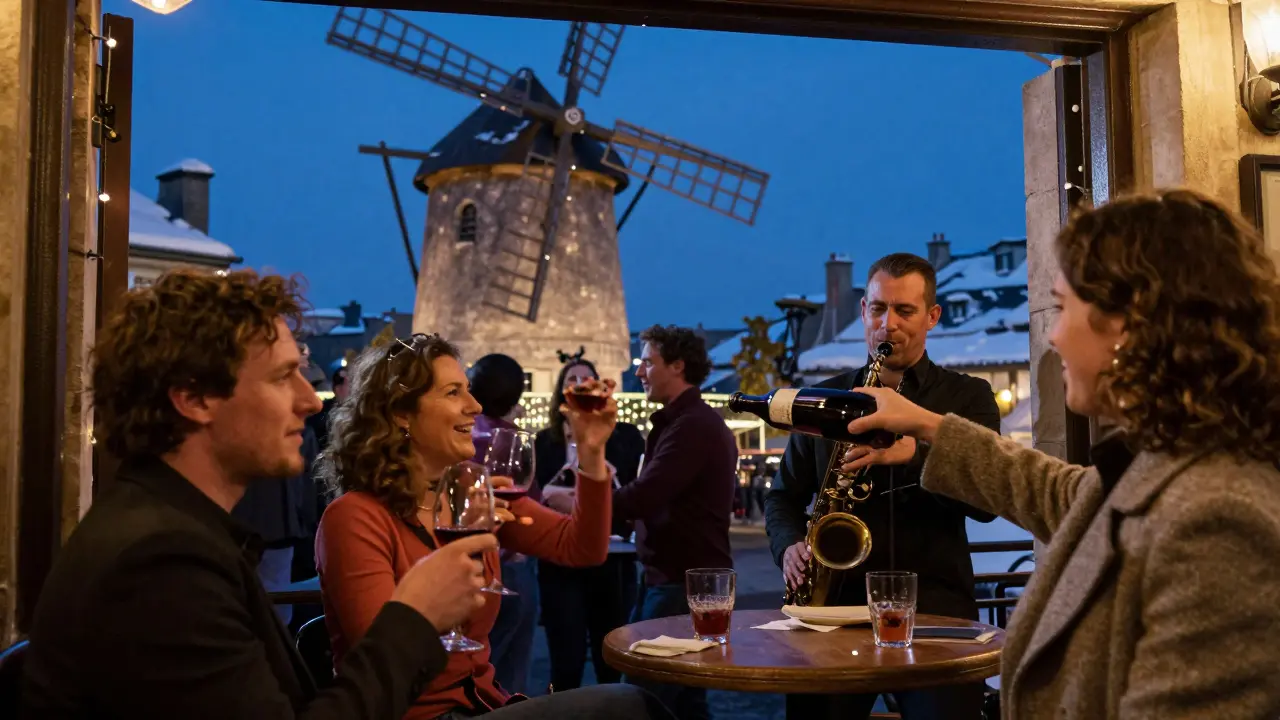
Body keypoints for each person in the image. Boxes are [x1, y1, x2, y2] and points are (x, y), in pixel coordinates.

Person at [843, 190, 1280, 718]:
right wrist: (925, 422)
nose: (1053, 336)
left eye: (1063, 306)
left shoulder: (1218, 520)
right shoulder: (1165, 464)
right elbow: (1049, 487)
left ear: (1131, 325)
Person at [21, 269, 497, 719]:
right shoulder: (159, 564)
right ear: (194, 398)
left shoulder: (169, 527)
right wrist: (412, 619)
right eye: (280, 376)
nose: (311, 400)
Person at [314, 333, 674, 720]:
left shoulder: (472, 495)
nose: (474, 406)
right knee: (627, 707)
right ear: (402, 413)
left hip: (485, 705)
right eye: (453, 393)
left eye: (469, 390)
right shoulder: (354, 518)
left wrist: (590, 451)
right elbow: (383, 663)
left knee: (636, 705)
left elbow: (583, 548)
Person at [764, 253, 999, 719]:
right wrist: (788, 545)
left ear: (933, 317)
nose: (887, 325)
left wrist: (916, 456)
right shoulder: (821, 400)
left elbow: (987, 503)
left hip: (936, 615)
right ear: (863, 311)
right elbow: (782, 497)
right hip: (835, 611)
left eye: (904, 311)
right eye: (877, 309)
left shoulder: (968, 397)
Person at [546, 325, 736, 720]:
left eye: (648, 362)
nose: (640, 371)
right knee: (681, 696)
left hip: (680, 580)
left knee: (639, 696)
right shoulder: (683, 423)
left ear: (678, 365)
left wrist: (582, 502)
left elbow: (646, 494)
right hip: (676, 576)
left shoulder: (692, 426)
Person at [534, 355, 646, 691]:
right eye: (572, 379)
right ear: (561, 392)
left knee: (610, 656)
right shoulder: (546, 442)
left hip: (614, 560)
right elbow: (544, 497)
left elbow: (631, 495)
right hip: (560, 560)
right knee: (564, 658)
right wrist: (593, 502)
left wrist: (578, 502)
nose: (580, 384)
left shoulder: (624, 436)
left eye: (587, 378)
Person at [466, 353, 539, 696]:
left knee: (477, 666)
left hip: (468, 567)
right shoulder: (514, 441)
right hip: (513, 564)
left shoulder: (461, 436)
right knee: (512, 674)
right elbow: (531, 509)